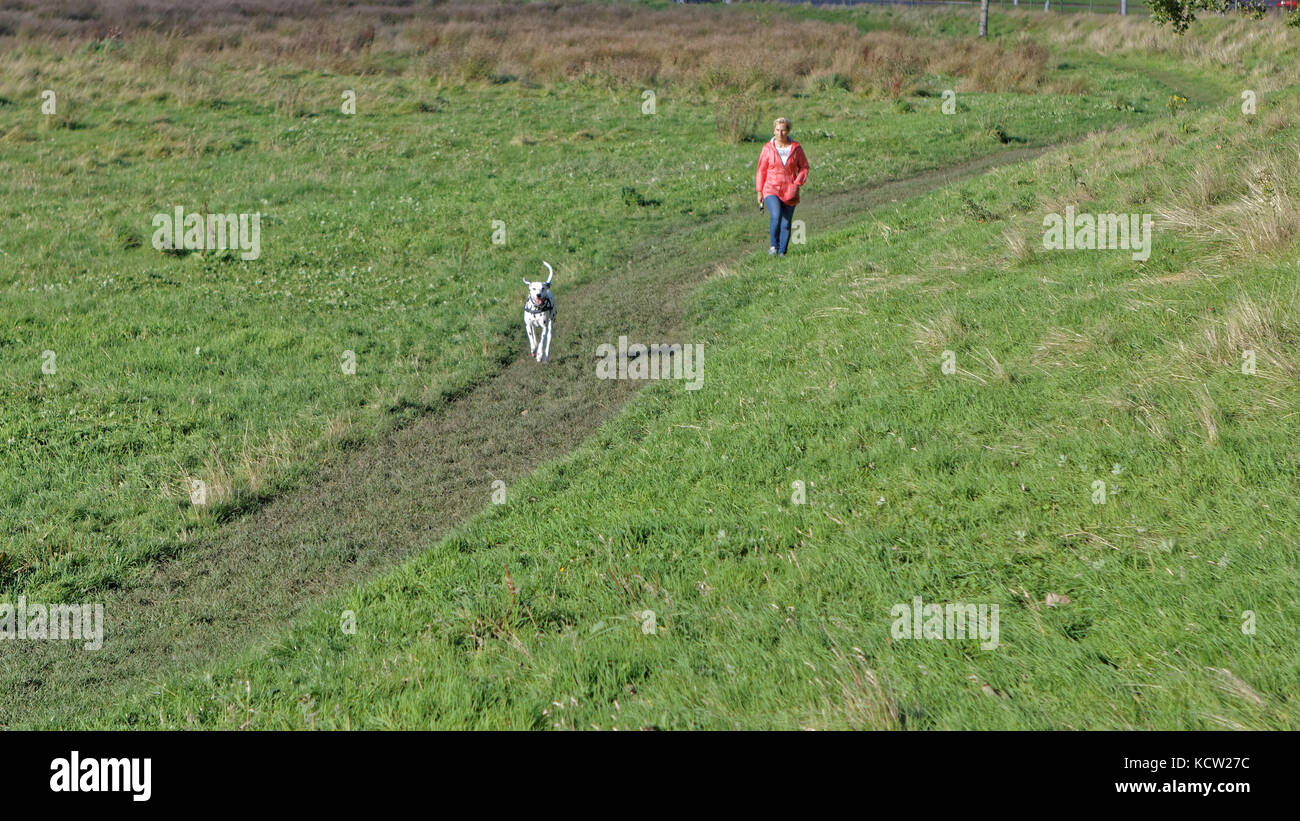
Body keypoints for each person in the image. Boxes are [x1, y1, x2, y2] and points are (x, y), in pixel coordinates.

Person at [755, 117, 809, 256]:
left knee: (786, 223)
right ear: (774, 130)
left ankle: (782, 252)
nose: (780, 133)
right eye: (777, 130)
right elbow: (761, 170)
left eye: (783, 130)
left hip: (790, 190)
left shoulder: (796, 148)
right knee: (776, 214)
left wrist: (797, 183)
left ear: (788, 131)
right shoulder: (767, 148)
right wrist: (759, 190)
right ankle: (774, 246)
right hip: (771, 188)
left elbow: (804, 167)